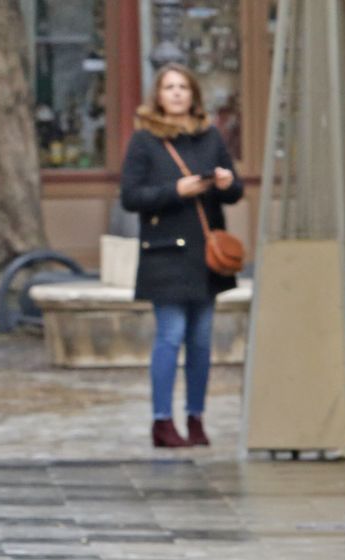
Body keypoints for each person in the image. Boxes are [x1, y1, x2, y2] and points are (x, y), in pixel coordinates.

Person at [119, 64, 243, 449]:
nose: (176, 94)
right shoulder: (144, 142)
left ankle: (196, 417)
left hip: (205, 257)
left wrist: (224, 183)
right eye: (169, 87)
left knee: (202, 341)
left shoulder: (209, 137)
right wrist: (176, 190)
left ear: (193, 95)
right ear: (158, 95)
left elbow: (234, 191)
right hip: (165, 254)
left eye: (183, 87)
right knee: (170, 336)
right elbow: (131, 196)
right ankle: (162, 421)